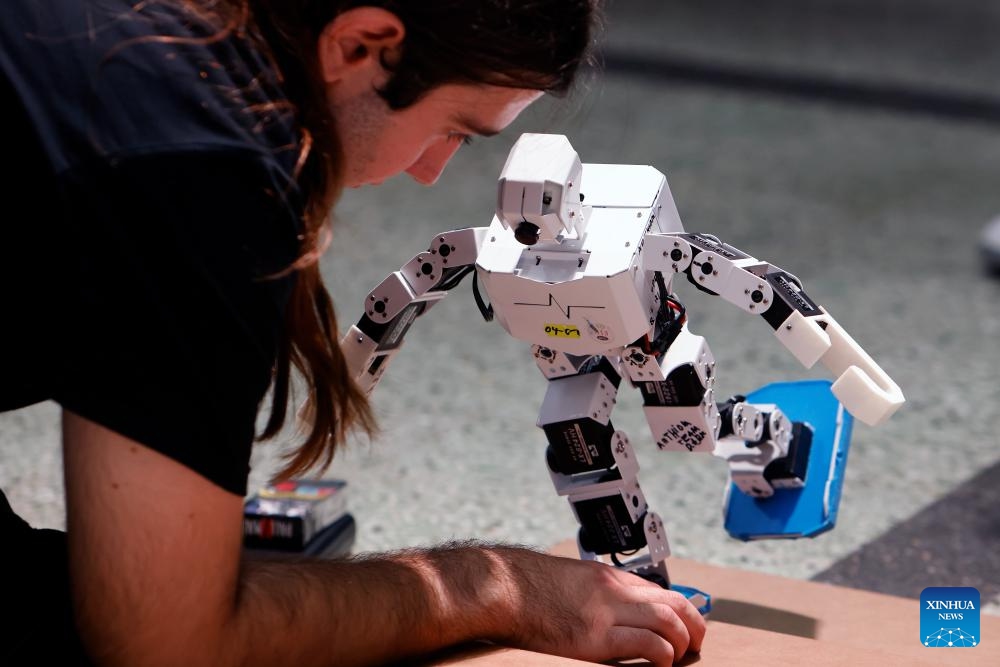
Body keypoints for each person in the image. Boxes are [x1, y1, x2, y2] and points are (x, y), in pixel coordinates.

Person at [0, 1, 706, 665]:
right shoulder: (194, 164)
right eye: (453, 127)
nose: (432, 172)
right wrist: (494, 585)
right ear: (361, 44)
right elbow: (168, 638)